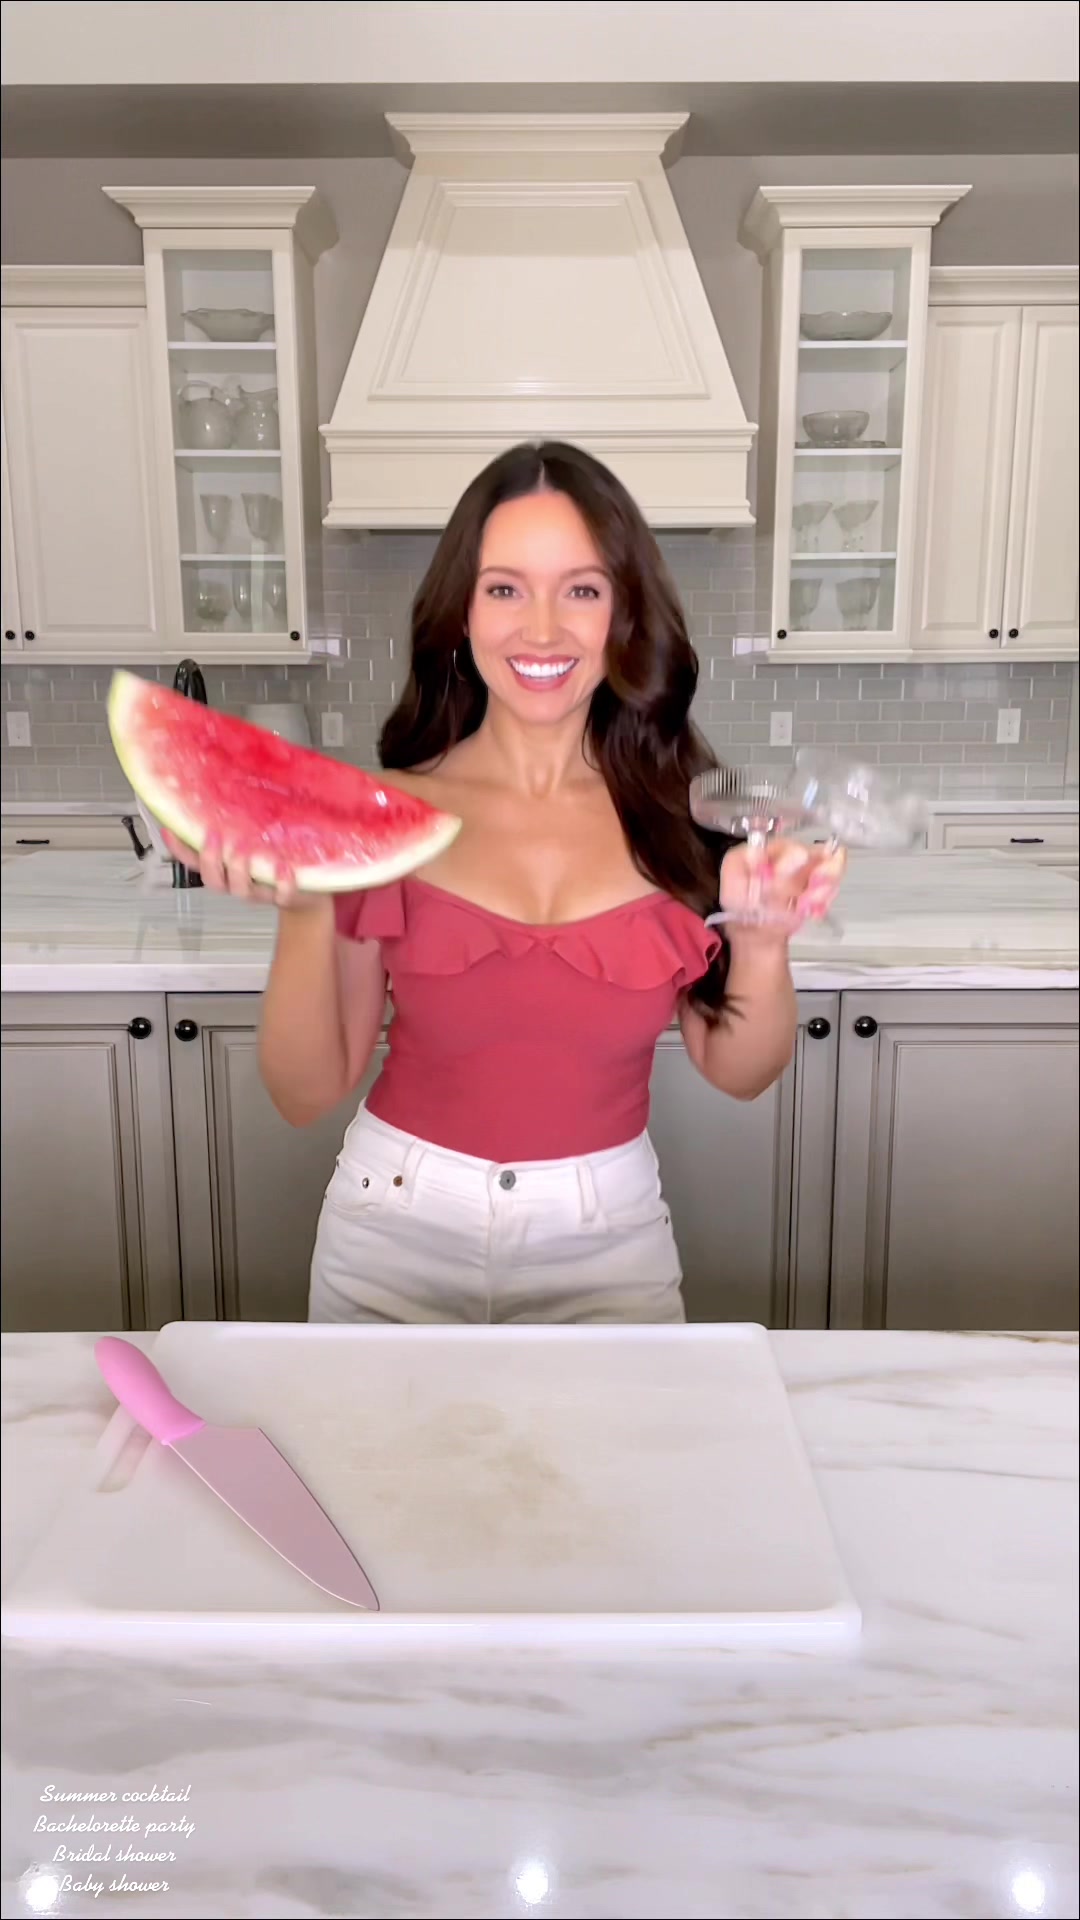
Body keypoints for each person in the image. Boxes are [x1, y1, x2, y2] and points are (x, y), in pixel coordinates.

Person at [167, 441, 844, 1325]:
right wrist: (304, 910)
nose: (543, 629)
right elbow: (305, 1092)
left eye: (583, 590)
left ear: (625, 613)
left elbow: (740, 1071)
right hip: (392, 1236)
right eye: (504, 589)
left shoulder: (682, 819)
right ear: (461, 612)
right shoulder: (385, 813)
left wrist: (761, 940)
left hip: (611, 1246)